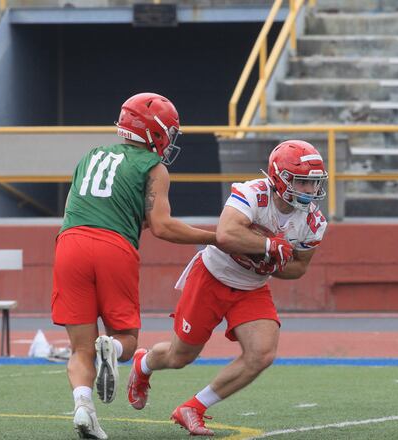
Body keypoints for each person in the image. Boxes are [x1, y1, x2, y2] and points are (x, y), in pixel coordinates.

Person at [126, 140, 329, 436]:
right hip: (212, 276)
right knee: (179, 357)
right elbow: (226, 233)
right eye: (302, 182)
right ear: (279, 177)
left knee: (262, 354)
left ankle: (193, 407)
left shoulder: (313, 222)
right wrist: (268, 245)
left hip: (252, 286)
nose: (310, 191)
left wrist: (272, 264)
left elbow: (299, 268)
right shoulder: (253, 193)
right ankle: (143, 364)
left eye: (313, 184)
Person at [52, 92, 216, 439]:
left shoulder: (91, 156)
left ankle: (83, 407)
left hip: (70, 243)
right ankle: (110, 350)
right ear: (155, 132)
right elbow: (162, 226)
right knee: (124, 338)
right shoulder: (154, 167)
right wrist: (214, 237)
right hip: (114, 246)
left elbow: (74, 210)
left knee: (80, 347)